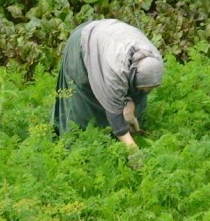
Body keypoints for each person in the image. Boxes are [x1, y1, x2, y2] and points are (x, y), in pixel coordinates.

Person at [52, 19, 164, 149]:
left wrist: (130, 108)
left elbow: (138, 90)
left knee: (135, 101)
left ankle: (113, 143)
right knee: (82, 106)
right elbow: (114, 111)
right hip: (83, 43)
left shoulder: (154, 60)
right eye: (145, 88)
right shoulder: (116, 69)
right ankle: (73, 150)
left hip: (110, 40)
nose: (147, 91)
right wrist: (132, 150)